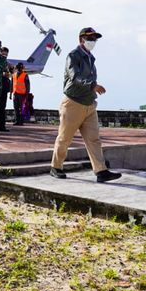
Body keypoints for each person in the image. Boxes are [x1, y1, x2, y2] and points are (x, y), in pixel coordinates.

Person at [50, 27, 121, 183]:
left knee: (94, 139)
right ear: (81, 39)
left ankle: (101, 171)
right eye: (89, 38)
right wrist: (92, 85)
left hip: (89, 104)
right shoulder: (73, 55)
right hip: (73, 103)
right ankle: (56, 167)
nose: (92, 41)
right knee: (64, 138)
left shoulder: (91, 57)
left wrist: (92, 90)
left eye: (94, 38)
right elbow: (75, 76)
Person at [0, 47, 12, 132]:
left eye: (6, 54)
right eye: (3, 54)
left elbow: (12, 73)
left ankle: (2, 126)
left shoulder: (7, 63)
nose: (5, 55)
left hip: (4, 87)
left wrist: (10, 71)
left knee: (2, 108)